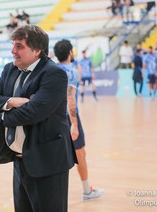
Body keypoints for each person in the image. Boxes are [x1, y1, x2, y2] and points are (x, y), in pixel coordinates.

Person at [0, 25, 76, 212]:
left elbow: (33, 113)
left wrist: (2, 117)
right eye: (13, 45)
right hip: (20, 161)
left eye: (19, 46)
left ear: (37, 50)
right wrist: (12, 101)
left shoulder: (54, 74)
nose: (13, 51)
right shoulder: (10, 69)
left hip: (47, 162)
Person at [54, 39, 104, 202]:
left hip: (51, 118)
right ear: (70, 53)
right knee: (80, 153)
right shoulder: (72, 71)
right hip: (68, 117)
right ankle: (87, 191)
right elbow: (71, 99)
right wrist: (74, 124)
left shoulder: (51, 69)